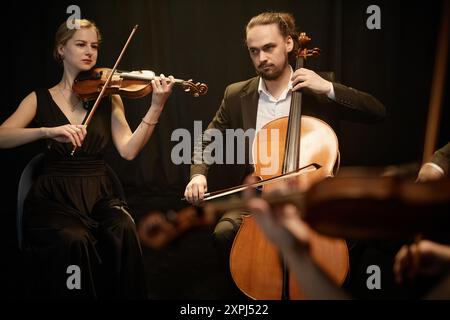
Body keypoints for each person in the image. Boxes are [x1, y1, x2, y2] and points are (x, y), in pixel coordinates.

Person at [183, 11, 385, 295]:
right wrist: (197, 176)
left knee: (355, 233)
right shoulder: (236, 94)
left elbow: (376, 111)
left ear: (289, 44)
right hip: (260, 196)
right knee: (223, 233)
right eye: (254, 51)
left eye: (269, 48)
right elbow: (206, 140)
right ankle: (251, 297)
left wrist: (326, 88)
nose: (261, 58)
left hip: (312, 196)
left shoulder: (318, 85)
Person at [0, 19, 175, 299]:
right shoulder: (39, 98)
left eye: (94, 46)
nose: (90, 51)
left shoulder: (108, 96)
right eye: (80, 44)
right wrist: (47, 131)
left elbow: (128, 150)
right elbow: (2, 136)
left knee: (124, 227)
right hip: (53, 198)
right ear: (61, 49)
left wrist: (156, 106)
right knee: (74, 239)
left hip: (98, 194)